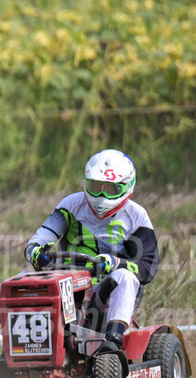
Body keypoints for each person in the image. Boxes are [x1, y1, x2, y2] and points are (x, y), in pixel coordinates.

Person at [24, 149, 159, 353]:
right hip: (67, 287)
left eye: (111, 189)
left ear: (126, 187)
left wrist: (115, 263)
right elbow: (41, 237)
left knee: (125, 276)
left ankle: (113, 342)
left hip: (103, 295)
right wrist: (34, 251)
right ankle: (22, 345)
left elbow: (147, 267)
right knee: (24, 282)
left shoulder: (136, 216)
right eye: (96, 187)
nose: (102, 196)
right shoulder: (71, 205)